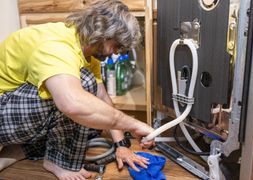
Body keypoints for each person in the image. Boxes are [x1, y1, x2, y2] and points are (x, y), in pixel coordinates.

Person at [0, 0, 155, 179]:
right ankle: (58, 161)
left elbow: (103, 99)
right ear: (104, 33)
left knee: (93, 123)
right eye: (117, 45)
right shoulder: (57, 47)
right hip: (3, 111)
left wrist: (121, 145)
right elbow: (72, 104)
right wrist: (134, 124)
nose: (115, 53)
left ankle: (19, 151)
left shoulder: (85, 51)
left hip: (14, 111)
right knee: (83, 95)